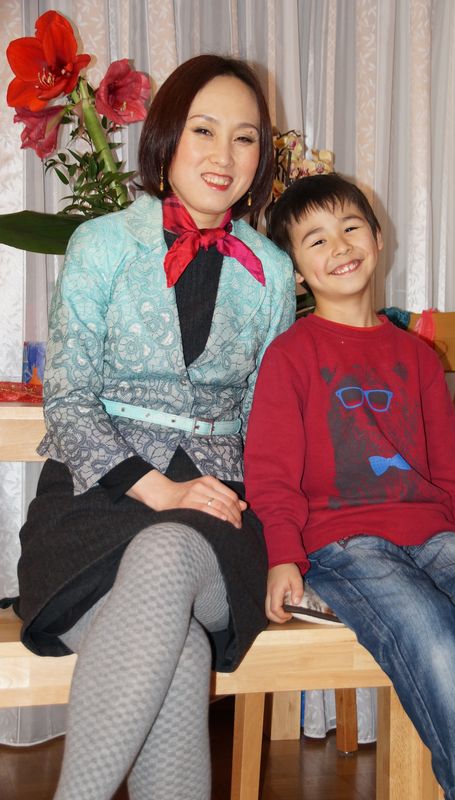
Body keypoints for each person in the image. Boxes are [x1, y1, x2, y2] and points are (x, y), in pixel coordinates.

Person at [10, 55, 295, 800]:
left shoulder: (271, 270)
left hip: (214, 514)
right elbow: (69, 401)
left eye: (244, 138)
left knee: (167, 554)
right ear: (167, 136)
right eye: (203, 130)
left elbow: (268, 427)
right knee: (180, 658)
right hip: (90, 505)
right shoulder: (102, 243)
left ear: (261, 157)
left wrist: (288, 542)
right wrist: (156, 489)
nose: (224, 154)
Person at [244, 173, 455, 800]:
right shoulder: (290, 356)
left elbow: (454, 474)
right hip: (342, 542)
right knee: (430, 630)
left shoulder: (419, 358)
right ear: (297, 272)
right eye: (316, 240)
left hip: (433, 532)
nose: (339, 246)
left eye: (351, 227)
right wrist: (282, 553)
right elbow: (270, 473)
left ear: (378, 239)